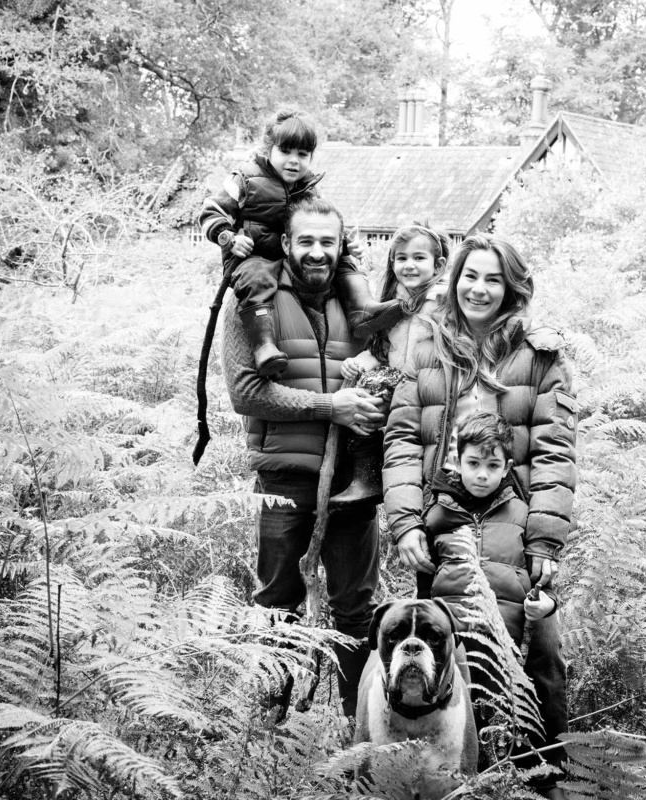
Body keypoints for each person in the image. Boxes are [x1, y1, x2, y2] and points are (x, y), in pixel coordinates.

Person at [383, 233, 578, 800]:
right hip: (441, 526)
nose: (480, 288)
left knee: (536, 655)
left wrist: (543, 541)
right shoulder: (425, 349)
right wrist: (405, 523)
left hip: (514, 527)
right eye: (471, 275)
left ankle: (541, 779)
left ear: (512, 288)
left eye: (494, 278)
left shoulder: (540, 357)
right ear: (454, 278)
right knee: (449, 655)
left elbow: (554, 454)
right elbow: (400, 439)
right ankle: (448, 778)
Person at [219, 195, 387, 718]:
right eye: (307, 241)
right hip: (283, 482)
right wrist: (329, 406)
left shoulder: (357, 306)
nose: (318, 252)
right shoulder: (252, 303)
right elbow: (245, 393)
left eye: (327, 242)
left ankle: (356, 729)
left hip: (353, 482)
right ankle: (272, 727)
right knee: (277, 606)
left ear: (342, 247)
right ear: (287, 243)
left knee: (355, 612)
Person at [201, 109, 401, 377]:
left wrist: (344, 245)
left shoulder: (307, 187)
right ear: (269, 149)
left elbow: (320, 223)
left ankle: (362, 310)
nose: (294, 161)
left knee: (342, 263)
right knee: (256, 280)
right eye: (286, 152)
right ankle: (264, 346)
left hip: (293, 257)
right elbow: (211, 210)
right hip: (253, 256)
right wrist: (228, 237)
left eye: (303, 155)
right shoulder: (245, 179)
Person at [330, 223, 453, 506]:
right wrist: (360, 362)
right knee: (364, 399)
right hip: (399, 379)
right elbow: (384, 350)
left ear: (439, 265)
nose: (409, 265)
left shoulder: (445, 301)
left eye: (419, 258)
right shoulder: (392, 302)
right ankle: (367, 474)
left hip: (431, 381)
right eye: (401, 258)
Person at [426, 412, 558, 643]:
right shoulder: (438, 516)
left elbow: (543, 580)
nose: (482, 475)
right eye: (473, 463)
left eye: (493, 465)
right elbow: (424, 587)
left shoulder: (523, 515)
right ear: (457, 463)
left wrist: (548, 603)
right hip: (451, 645)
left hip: (506, 643)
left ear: (506, 468)